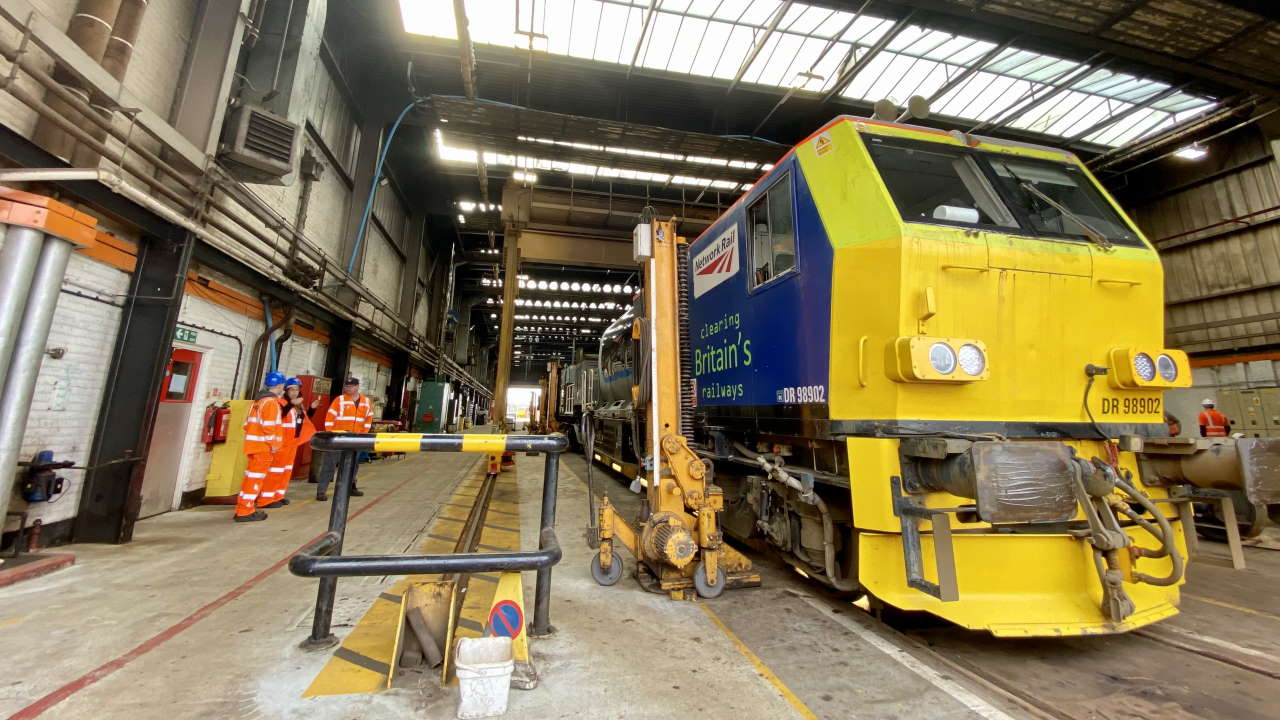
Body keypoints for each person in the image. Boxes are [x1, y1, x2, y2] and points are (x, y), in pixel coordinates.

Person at [234, 371, 287, 522]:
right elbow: (269, 426)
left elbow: (246, 424)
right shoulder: (271, 403)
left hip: (252, 446)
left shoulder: (257, 402)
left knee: (249, 478)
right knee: (255, 479)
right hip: (263, 448)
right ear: (280, 386)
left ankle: (242, 507)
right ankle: (245, 511)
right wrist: (274, 444)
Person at [258, 377, 315, 509]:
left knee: (286, 471)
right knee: (275, 471)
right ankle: (266, 498)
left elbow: (303, 420)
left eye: (297, 389)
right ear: (286, 390)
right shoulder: (280, 403)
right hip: (281, 442)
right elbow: (282, 414)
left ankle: (279, 495)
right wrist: (292, 404)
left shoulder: (297, 406)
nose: (295, 392)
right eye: (292, 389)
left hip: (292, 443)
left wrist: (311, 409)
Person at [316, 376, 373, 501]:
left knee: (353, 465)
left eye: (351, 386)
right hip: (338, 439)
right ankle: (321, 491)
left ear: (357, 387)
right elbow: (330, 418)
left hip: (356, 439)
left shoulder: (366, 401)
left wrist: (363, 434)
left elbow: (368, 419)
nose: (348, 388)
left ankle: (351, 487)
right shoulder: (339, 400)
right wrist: (332, 434)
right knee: (329, 464)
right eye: (347, 386)